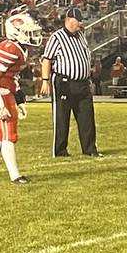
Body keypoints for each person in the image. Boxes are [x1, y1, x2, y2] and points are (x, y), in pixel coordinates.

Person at [0, 13, 43, 185]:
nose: (32, 35)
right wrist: (0, 105)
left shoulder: (19, 48)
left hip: (8, 93)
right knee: (8, 137)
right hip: (1, 95)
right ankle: (15, 176)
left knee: (1, 137)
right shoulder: (9, 48)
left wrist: (20, 101)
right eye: (27, 31)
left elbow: (13, 78)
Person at [40, 8, 102, 158]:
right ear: (68, 20)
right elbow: (47, 59)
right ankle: (60, 150)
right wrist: (45, 80)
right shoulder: (57, 37)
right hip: (65, 82)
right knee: (62, 117)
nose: (79, 24)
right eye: (77, 21)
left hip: (82, 83)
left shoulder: (81, 35)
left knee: (87, 117)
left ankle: (89, 149)